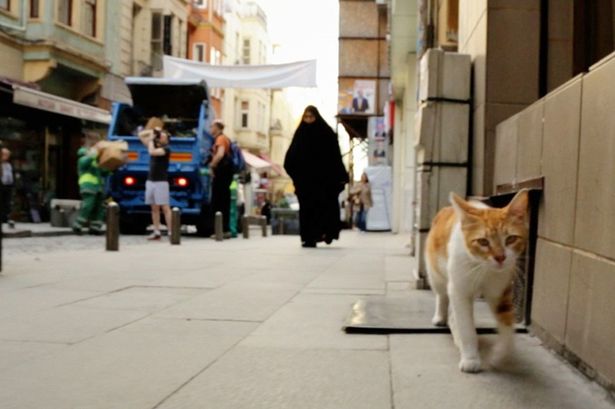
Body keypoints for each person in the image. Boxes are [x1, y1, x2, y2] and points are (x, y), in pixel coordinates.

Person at [284, 105, 349, 248]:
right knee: (307, 210)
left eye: (311, 117)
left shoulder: (326, 134)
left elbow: (335, 157)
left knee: (324, 208)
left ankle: (326, 233)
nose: (308, 120)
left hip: (323, 183)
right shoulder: (300, 134)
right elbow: (290, 159)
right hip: (305, 184)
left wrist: (339, 176)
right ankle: (309, 238)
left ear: (316, 117)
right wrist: (298, 177)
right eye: (306, 117)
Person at [139, 117, 172, 240]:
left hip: (161, 181)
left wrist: (152, 139)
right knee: (154, 207)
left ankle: (170, 231)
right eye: (161, 135)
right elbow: (141, 135)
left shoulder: (166, 149)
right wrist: (153, 131)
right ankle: (156, 231)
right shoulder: (153, 143)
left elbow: (152, 152)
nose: (161, 136)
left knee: (165, 207)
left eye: (163, 136)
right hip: (151, 180)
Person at [72, 140, 108, 235]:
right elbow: (89, 159)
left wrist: (113, 168)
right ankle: (77, 225)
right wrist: (97, 150)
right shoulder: (83, 159)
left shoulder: (95, 162)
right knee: (88, 206)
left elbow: (104, 172)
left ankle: (95, 227)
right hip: (88, 187)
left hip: (98, 188)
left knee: (99, 208)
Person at [209, 119, 234, 234]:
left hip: (222, 173)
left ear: (217, 127)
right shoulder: (223, 138)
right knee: (223, 200)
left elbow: (220, 154)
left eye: (212, 126)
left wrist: (212, 165)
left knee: (218, 201)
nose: (210, 128)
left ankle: (222, 229)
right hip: (225, 173)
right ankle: (224, 229)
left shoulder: (220, 138)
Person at [1, 148, 15, 228]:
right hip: (2, 186)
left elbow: (10, 176)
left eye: (8, 155)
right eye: (5, 155)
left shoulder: (9, 165)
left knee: (7, 203)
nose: (7, 156)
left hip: (8, 186)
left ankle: (5, 218)